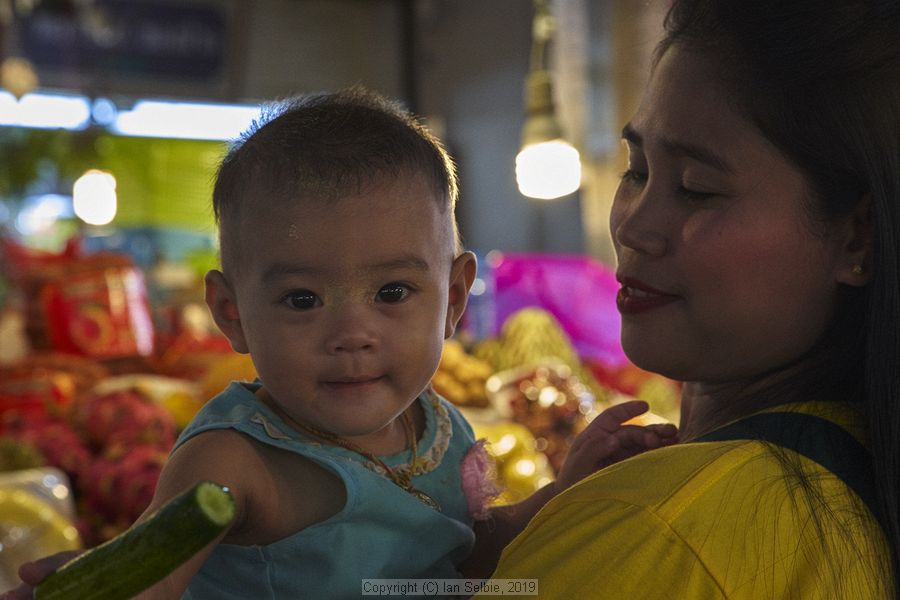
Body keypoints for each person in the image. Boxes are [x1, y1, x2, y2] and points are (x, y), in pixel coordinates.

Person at [2, 88, 678, 599]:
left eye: (392, 293)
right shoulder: (232, 462)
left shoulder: (438, 427)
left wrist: (565, 489)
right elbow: (148, 583)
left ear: (453, 296)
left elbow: (468, 557)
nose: (352, 334)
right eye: (303, 300)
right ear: (231, 314)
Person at [483, 0, 900, 598]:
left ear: (856, 234)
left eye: (696, 189)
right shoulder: (862, 474)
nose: (631, 227)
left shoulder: (649, 531)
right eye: (636, 170)